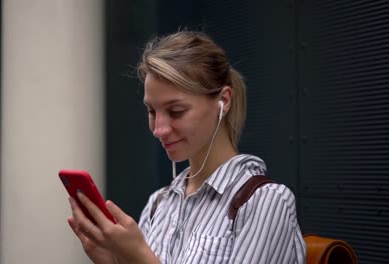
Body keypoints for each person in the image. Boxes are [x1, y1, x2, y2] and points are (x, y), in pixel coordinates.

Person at [67, 30, 306, 263]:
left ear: (223, 101)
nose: (158, 129)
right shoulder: (159, 204)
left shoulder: (265, 202)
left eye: (176, 111)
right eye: (152, 111)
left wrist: (139, 256)